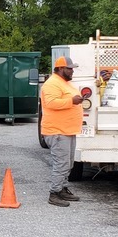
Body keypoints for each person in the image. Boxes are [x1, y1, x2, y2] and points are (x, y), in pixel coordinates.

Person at [40, 56, 84, 207]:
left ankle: (62, 189)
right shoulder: (52, 84)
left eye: (72, 68)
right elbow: (51, 103)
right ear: (60, 68)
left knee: (69, 163)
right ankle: (54, 193)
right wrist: (72, 101)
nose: (72, 71)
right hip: (57, 131)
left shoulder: (64, 83)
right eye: (69, 68)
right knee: (61, 164)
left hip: (67, 130)